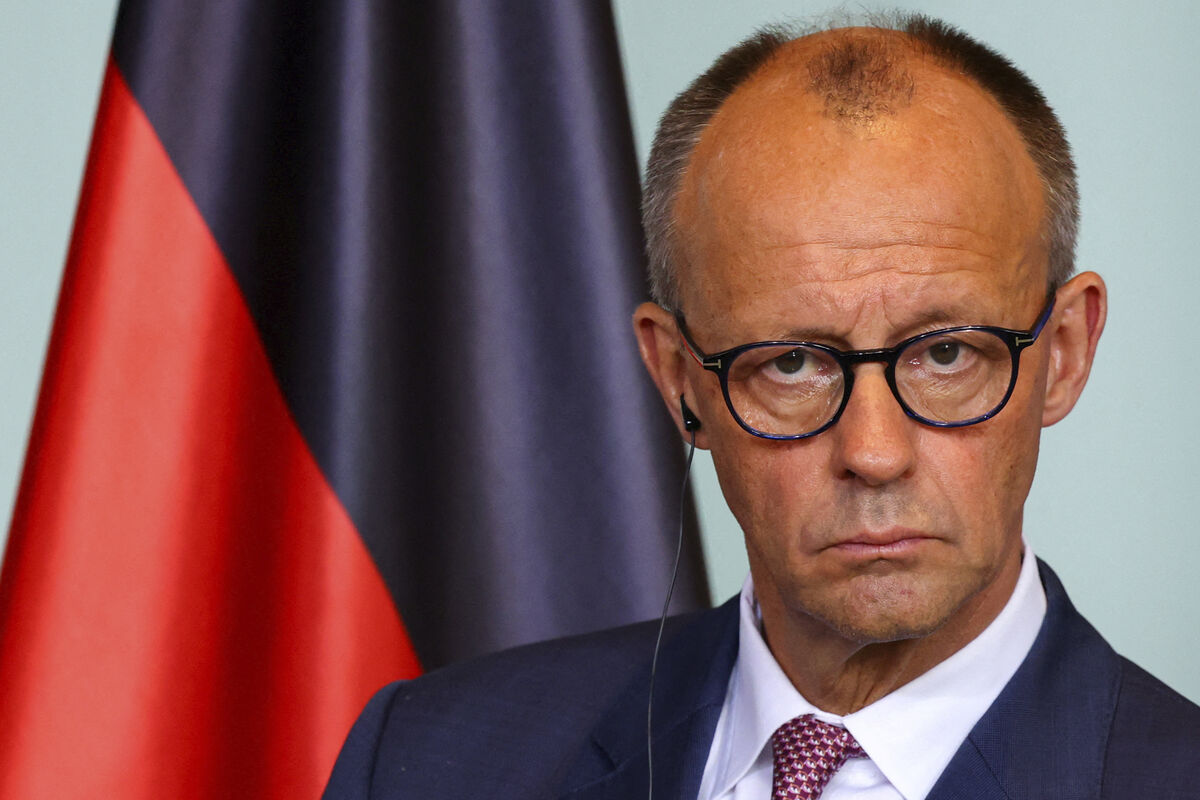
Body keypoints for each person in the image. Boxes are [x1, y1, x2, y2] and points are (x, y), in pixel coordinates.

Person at [323, 13, 1200, 799]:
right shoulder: (426, 761)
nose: (874, 452)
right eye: (791, 363)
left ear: (1064, 353)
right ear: (679, 378)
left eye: (945, 354)